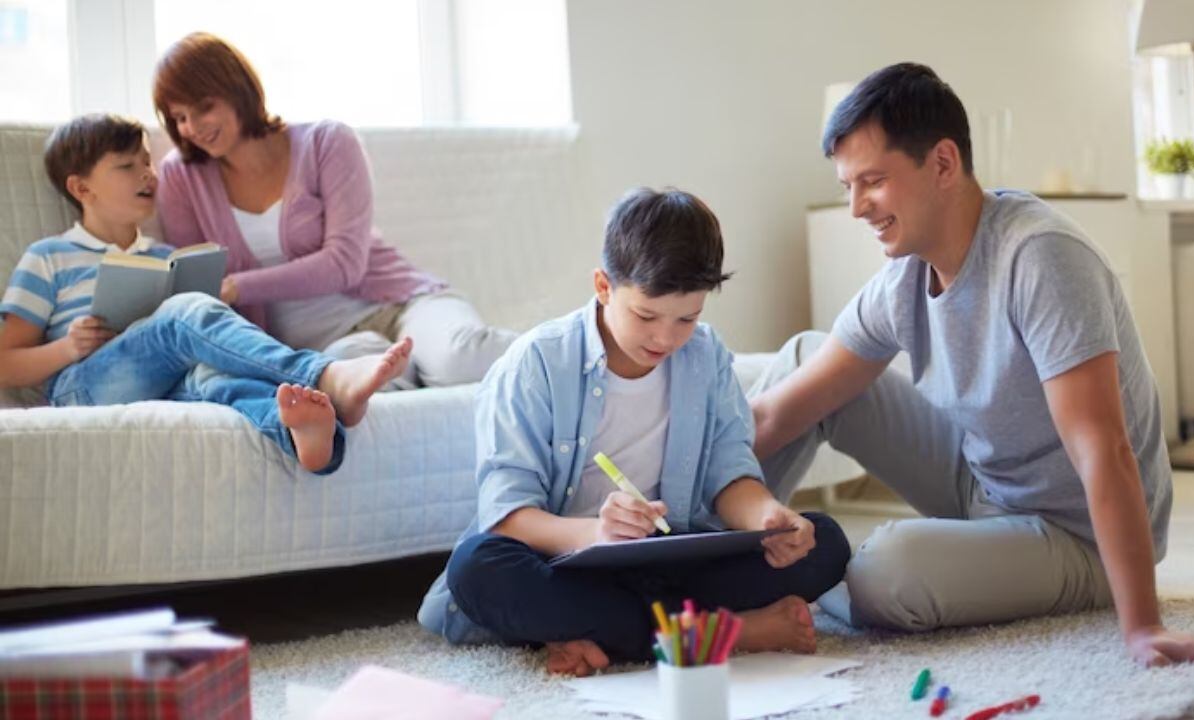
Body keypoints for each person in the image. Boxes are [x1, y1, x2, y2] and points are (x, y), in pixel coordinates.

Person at [749, 63, 1194, 667]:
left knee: (888, 571)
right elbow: (774, 412)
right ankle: (707, 571)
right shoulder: (902, 280)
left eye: (873, 181)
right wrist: (671, 518)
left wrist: (1144, 627)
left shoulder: (1041, 257)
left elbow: (1104, 448)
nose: (857, 206)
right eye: (847, 186)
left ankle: (800, 595)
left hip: (1078, 538)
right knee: (805, 359)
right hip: (983, 482)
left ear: (943, 163)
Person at [418, 188, 851, 676]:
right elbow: (506, 515)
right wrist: (597, 534)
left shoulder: (705, 356)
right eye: (646, 315)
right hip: (566, 566)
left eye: (687, 318)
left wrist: (769, 517)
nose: (666, 338)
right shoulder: (536, 362)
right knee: (477, 568)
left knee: (826, 541)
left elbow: (730, 476)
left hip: (672, 564)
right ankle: (726, 632)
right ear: (603, 286)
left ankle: (616, 634)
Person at [0, 113, 411, 475]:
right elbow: (5, 363)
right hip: (82, 387)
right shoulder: (49, 257)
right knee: (184, 314)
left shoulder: (166, 258)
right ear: (82, 188)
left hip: (165, 380)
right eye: (127, 166)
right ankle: (323, 375)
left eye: (147, 161)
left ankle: (301, 432)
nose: (147, 173)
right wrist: (68, 348)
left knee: (211, 379)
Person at [152, 32, 516, 388]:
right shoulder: (180, 176)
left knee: (460, 359)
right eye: (180, 117)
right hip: (326, 346)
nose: (193, 127)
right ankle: (411, 372)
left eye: (204, 107)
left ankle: (566, 351)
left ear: (237, 90)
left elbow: (345, 263)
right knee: (364, 384)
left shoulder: (327, 142)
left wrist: (236, 287)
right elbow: (195, 284)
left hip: (403, 304)